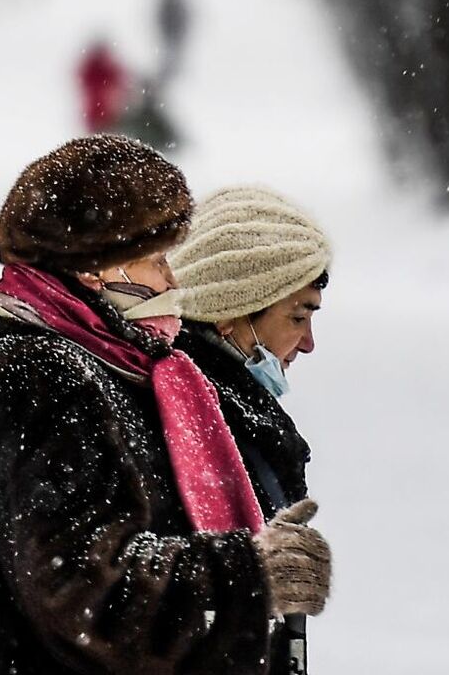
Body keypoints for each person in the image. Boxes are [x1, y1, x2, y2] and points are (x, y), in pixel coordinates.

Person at [0, 136, 331, 675]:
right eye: (155, 261)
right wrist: (249, 575)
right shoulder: (40, 374)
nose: (173, 281)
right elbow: (81, 590)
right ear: (94, 269)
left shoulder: (93, 365)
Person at [170, 186, 332, 675]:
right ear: (228, 314)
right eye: (297, 316)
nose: (308, 344)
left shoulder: (233, 410)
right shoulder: (194, 423)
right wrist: (254, 572)